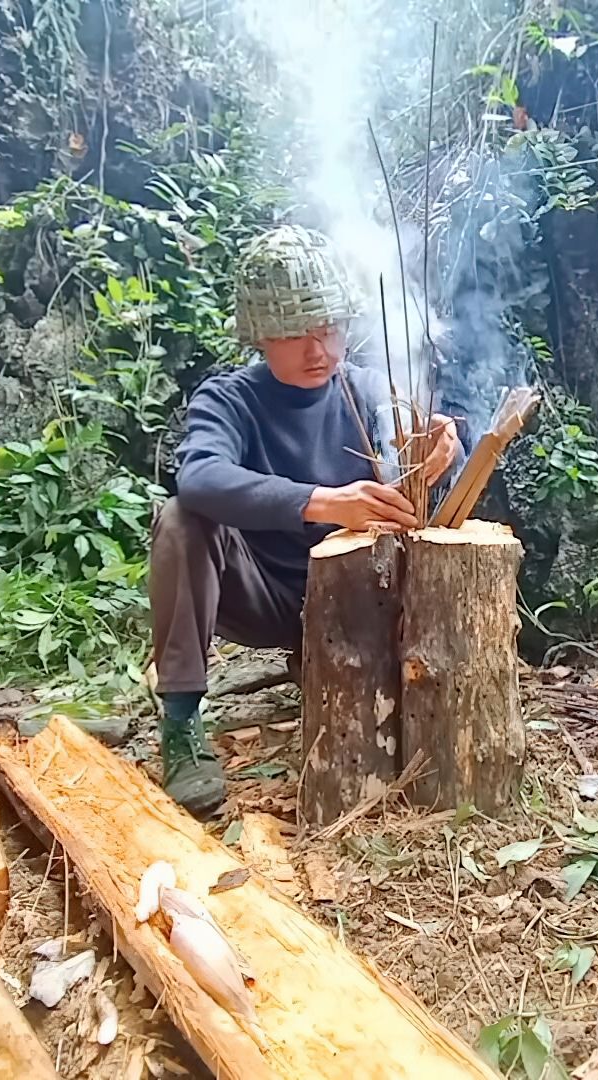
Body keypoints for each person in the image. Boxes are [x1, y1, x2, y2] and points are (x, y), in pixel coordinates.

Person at [149, 224, 461, 815]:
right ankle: (182, 722)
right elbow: (201, 477)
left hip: (361, 601)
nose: (318, 350)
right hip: (265, 596)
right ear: (262, 336)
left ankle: (348, 670)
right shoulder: (229, 399)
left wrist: (441, 449)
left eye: (329, 329)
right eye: (295, 334)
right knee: (182, 519)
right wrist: (321, 500)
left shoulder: (366, 389)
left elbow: (426, 454)